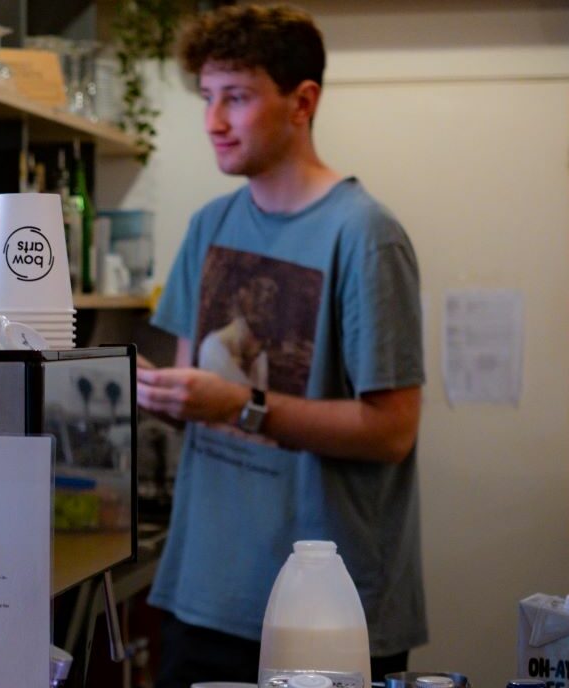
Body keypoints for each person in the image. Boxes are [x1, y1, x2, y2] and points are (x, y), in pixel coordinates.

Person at [132, 5, 427, 687]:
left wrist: (240, 404)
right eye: (207, 97)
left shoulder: (365, 235)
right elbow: (191, 394)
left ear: (303, 102)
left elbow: (391, 432)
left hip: (327, 608)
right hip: (202, 594)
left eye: (236, 97)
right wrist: (144, 391)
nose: (213, 121)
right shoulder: (210, 225)